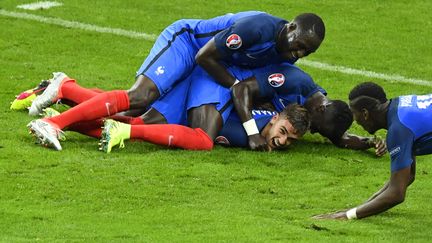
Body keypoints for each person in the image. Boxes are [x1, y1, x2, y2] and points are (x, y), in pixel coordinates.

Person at [27, 11, 325, 150]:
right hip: (191, 48)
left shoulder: (288, 62)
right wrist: (236, 90)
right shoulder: (256, 28)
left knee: (141, 119)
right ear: (290, 27)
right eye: (298, 45)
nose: (298, 54)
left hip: (213, 72)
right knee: (140, 98)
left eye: (305, 52)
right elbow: (205, 57)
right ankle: (54, 122)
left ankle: (65, 90)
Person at [313, 81, 432, 220]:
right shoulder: (399, 107)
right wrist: (360, 208)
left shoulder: (398, 130)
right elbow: (407, 176)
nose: (355, 120)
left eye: (355, 114)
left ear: (365, 113)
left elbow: (397, 193)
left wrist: (347, 216)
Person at [230, 64, 387, 154]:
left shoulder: (326, 119)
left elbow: (341, 138)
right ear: (320, 109)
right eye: (317, 128)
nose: (312, 132)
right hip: (233, 76)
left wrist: (370, 142)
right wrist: (253, 133)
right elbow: (242, 89)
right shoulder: (295, 82)